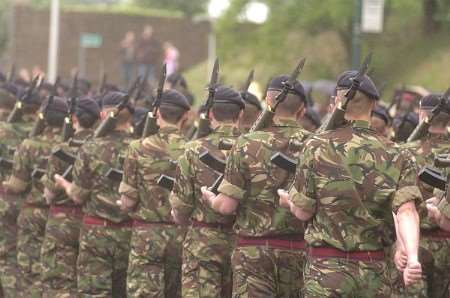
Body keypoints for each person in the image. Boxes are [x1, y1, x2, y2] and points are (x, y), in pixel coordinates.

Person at [278, 70, 423, 297]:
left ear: (337, 102)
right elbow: (407, 212)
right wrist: (412, 257)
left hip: (326, 272)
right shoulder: (397, 154)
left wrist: (290, 202)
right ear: (374, 103)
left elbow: (304, 211)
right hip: (374, 274)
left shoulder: (316, 146)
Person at [201, 76, 310, 297]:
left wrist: (211, 199)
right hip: (300, 254)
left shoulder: (245, 144)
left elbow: (226, 206)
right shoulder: (316, 145)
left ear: (267, 105)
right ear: (303, 110)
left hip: (253, 255)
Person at [55, 91, 133, 297]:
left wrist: (65, 185)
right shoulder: (140, 148)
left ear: (102, 115)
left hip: (96, 233)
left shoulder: (90, 149)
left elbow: (79, 195)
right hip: (131, 234)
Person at [170, 86, 244, 298]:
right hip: (241, 242)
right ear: (240, 115)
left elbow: (182, 204)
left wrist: (182, 219)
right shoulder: (250, 147)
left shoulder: (193, 149)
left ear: (210, 114)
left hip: (202, 241)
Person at [119, 90, 190, 297]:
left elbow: (128, 201)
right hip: (181, 236)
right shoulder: (192, 149)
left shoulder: (137, 148)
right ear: (185, 115)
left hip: (146, 236)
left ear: (157, 113)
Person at [3, 97, 68, 297]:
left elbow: (18, 184)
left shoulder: (29, 144)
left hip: (32, 213)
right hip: (61, 216)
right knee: (55, 271)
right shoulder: (68, 145)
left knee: (29, 269)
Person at [40, 96, 100, 297]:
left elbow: (48, 194)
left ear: (74, 118)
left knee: (59, 282)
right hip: (92, 222)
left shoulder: (62, 149)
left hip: (62, 221)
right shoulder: (100, 149)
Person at [398, 93, 450, 298]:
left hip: (415, 243)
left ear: (421, 114)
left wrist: (400, 246)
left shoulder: (405, 152)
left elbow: (397, 204)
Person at [0, 83, 41, 298]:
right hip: (37, 204)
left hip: (7, 198)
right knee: (31, 260)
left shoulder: (4, 130)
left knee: (6, 256)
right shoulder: (42, 133)